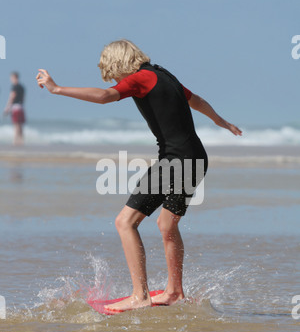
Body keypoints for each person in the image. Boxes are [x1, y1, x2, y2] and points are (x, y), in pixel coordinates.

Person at [36, 39, 242, 313]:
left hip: (176, 160)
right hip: (195, 157)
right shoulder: (163, 74)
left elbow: (104, 96)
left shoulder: (141, 79)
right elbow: (197, 100)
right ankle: (175, 292)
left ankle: (139, 295)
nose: (114, 77)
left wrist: (57, 89)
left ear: (118, 62)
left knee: (125, 222)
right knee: (167, 225)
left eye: (112, 70)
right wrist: (221, 121)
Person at [3, 72, 26, 146]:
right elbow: (23, 98)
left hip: (15, 107)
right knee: (20, 125)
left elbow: (12, 97)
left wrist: (7, 108)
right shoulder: (22, 87)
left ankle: (15, 141)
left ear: (14, 77)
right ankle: (21, 140)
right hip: (21, 107)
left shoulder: (14, 87)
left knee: (16, 124)